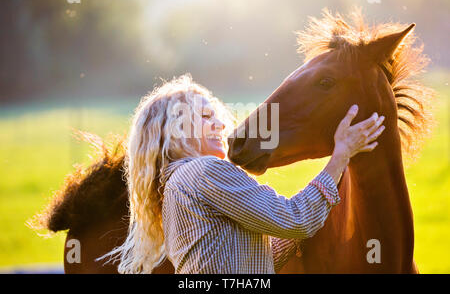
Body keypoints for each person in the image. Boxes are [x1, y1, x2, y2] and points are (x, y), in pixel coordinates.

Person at [101, 74, 385, 274]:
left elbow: (254, 263)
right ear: (177, 130)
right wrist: (341, 155)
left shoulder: (176, 185)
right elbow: (296, 219)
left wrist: (324, 204)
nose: (220, 126)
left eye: (217, 117)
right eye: (205, 117)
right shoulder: (205, 172)